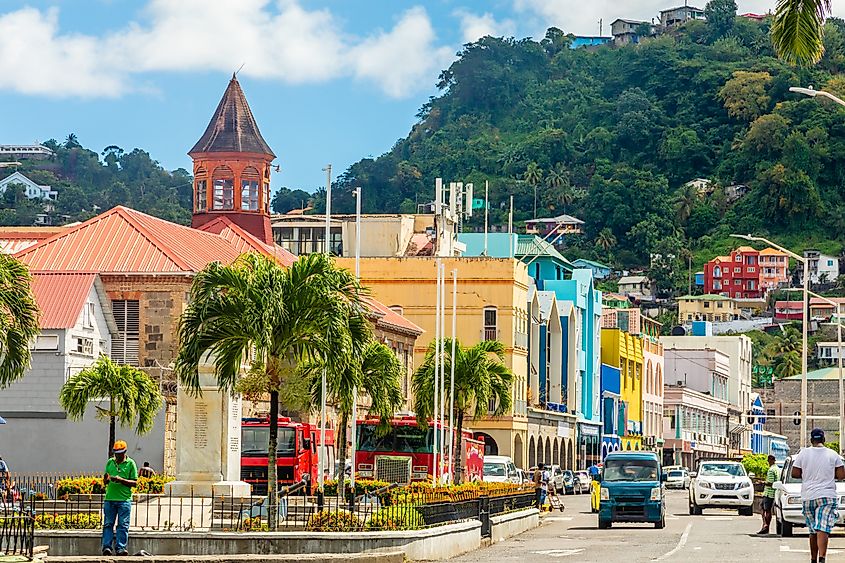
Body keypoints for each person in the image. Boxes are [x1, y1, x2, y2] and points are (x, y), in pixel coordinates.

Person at [791, 429, 845, 563]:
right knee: (823, 527)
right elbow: (841, 475)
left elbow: (795, 473)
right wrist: (827, 475)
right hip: (827, 495)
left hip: (808, 496)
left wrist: (808, 474)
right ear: (824, 440)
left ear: (811, 440)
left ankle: (813, 558)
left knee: (813, 529)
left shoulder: (803, 453)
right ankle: (822, 558)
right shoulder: (833, 455)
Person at [102, 440, 138, 557]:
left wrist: (121, 480)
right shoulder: (110, 462)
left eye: (120, 453)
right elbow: (105, 479)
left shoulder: (130, 463)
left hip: (124, 500)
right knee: (108, 524)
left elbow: (134, 483)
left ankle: (120, 548)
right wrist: (106, 480)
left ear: (124, 453)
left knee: (123, 525)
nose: (117, 456)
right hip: (110, 499)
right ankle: (107, 547)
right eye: (116, 453)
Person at [758, 454, 778, 535]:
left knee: (766, 510)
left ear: (770, 460)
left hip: (769, 493)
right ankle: (765, 526)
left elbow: (771, 483)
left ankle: (766, 526)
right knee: (764, 508)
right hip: (774, 492)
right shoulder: (777, 469)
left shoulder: (771, 470)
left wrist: (763, 483)